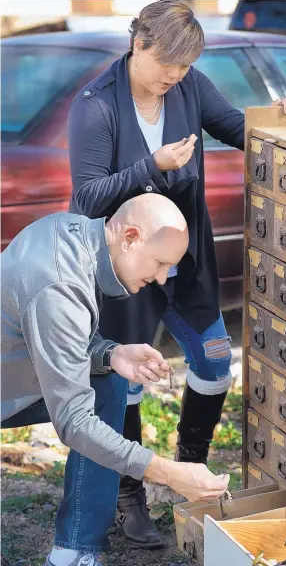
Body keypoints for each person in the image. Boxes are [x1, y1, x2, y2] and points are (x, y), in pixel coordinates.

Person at [68, 0, 286, 548]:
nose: (174, 79)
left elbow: (235, 127)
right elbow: (86, 198)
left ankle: (189, 471)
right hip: (126, 267)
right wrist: (150, 168)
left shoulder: (189, 86)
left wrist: (283, 115)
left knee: (216, 363)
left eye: (183, 69)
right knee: (127, 379)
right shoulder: (95, 106)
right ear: (139, 44)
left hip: (188, 257)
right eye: (166, 67)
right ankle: (131, 498)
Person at [1, 194, 231, 566]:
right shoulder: (60, 283)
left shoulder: (73, 234)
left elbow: (50, 335)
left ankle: (74, 550)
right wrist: (167, 472)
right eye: (159, 263)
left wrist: (110, 354)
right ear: (130, 237)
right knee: (91, 406)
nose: (160, 278)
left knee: (109, 382)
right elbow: (73, 422)